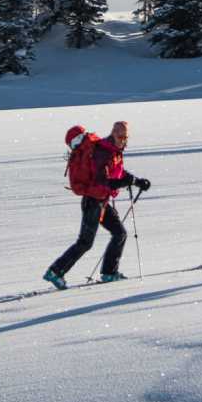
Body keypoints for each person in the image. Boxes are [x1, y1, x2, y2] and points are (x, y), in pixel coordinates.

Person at [44, 120, 149, 288]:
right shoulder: (102, 152)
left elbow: (119, 173)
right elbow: (104, 181)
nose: (124, 140)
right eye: (121, 135)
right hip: (93, 202)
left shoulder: (111, 150)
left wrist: (136, 181)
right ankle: (55, 272)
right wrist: (124, 183)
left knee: (119, 233)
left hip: (101, 201)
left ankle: (109, 273)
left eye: (126, 136)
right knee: (85, 242)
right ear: (113, 133)